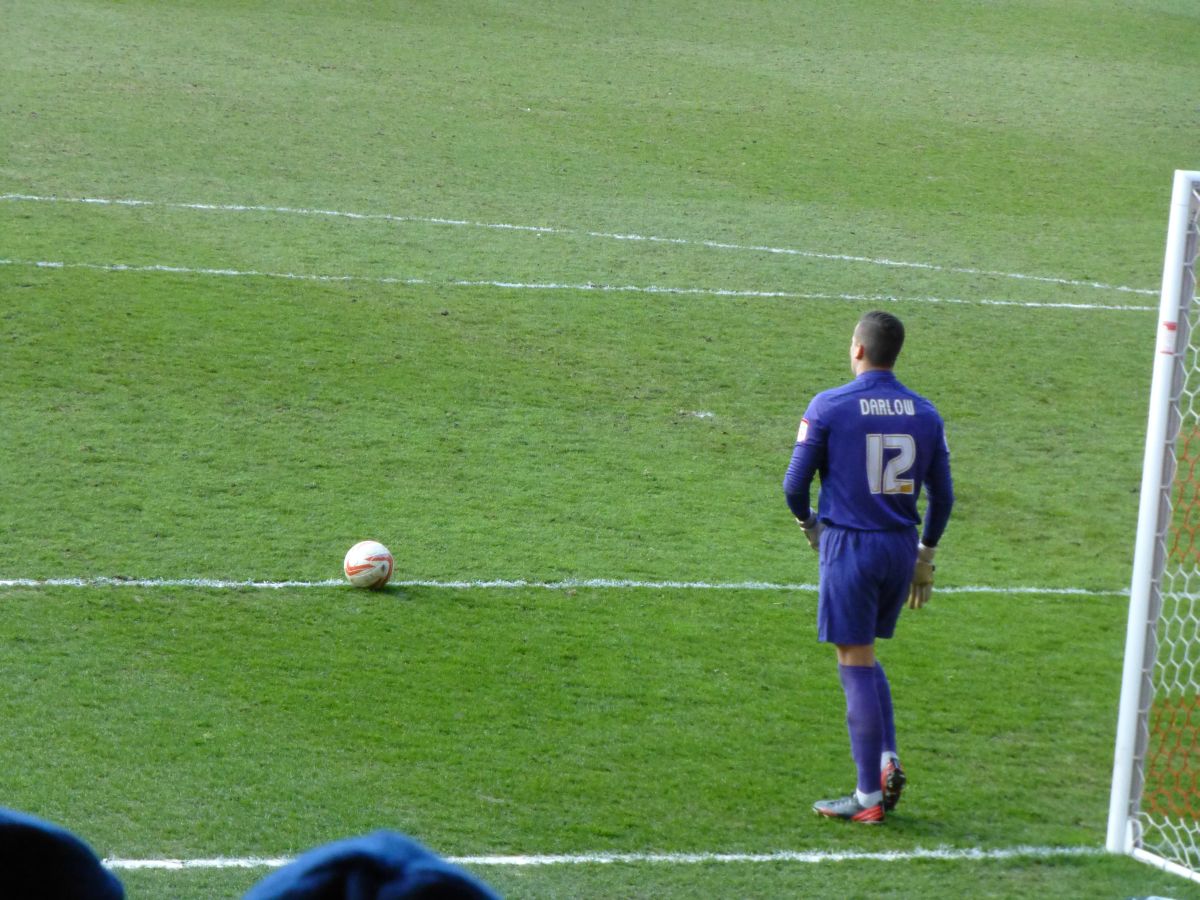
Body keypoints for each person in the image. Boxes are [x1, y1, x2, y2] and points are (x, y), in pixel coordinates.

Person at [782, 310, 954, 823]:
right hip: (900, 548)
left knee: (852, 659)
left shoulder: (829, 405)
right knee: (866, 652)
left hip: (850, 547)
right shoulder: (926, 413)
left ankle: (866, 799)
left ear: (858, 348)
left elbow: (794, 486)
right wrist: (925, 556)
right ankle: (885, 759)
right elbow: (942, 497)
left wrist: (810, 525)